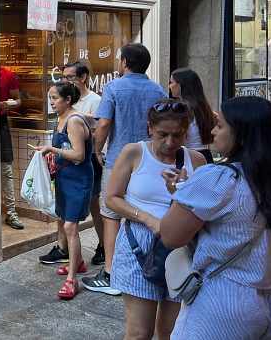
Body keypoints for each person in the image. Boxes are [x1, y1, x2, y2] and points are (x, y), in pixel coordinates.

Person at [161, 96, 271, 340]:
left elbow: (170, 235)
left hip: (222, 301)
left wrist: (179, 194)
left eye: (220, 125)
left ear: (241, 134)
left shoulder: (218, 178)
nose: (213, 130)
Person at [105, 100, 206, 340]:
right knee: (139, 333)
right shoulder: (134, 152)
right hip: (138, 246)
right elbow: (111, 198)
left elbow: (205, 209)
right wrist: (149, 219)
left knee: (171, 332)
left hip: (181, 250)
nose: (170, 143)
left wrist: (181, 193)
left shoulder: (197, 161)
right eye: (163, 134)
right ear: (150, 128)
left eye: (177, 135)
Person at [82, 43, 168, 296]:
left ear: (125, 63)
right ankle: (146, 264)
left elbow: (105, 122)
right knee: (143, 210)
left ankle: (110, 273)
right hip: (149, 162)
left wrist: (97, 149)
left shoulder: (113, 87)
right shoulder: (158, 89)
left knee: (111, 213)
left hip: (119, 160)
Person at [31, 82, 93, 299]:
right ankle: (78, 263)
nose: (51, 102)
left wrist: (52, 149)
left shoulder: (74, 121)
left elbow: (79, 155)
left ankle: (72, 280)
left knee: (70, 226)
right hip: (64, 178)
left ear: (68, 100)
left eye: (55, 98)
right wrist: (51, 156)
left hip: (78, 180)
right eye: (50, 98)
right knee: (66, 220)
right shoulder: (61, 118)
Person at [41, 61, 105, 266]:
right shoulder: (62, 103)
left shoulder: (94, 101)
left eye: (70, 77)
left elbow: (99, 129)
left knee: (93, 206)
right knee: (64, 211)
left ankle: (103, 245)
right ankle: (64, 249)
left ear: (83, 77)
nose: (65, 80)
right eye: (63, 76)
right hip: (65, 166)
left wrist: (97, 153)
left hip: (89, 160)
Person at [169, 68, 216, 163]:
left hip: (189, 157)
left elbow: (180, 139)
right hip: (206, 155)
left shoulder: (182, 108)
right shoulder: (204, 107)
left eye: (171, 82)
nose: (169, 86)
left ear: (181, 84)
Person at [0, 66, 24, 230]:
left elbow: (18, 100)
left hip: (0, 124)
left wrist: (7, 104)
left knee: (6, 170)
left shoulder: (7, 74)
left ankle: (11, 213)